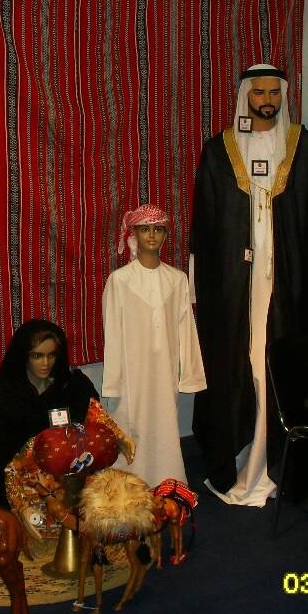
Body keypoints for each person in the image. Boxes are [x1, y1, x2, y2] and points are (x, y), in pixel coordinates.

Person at [190, 63, 308, 506]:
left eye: (274, 92)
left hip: (290, 285)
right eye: (260, 92)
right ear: (245, 96)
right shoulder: (220, 151)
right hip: (236, 287)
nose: (267, 100)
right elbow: (204, 228)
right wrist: (201, 291)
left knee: (277, 370)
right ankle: (240, 463)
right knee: (242, 368)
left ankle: (281, 469)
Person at [102, 203, 206, 487]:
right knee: (131, 426)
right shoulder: (120, 281)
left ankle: (167, 481)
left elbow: (187, 331)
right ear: (133, 233)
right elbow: (113, 335)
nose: (152, 235)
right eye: (145, 229)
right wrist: (113, 382)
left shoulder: (177, 279)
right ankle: (129, 487)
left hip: (164, 373)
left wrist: (190, 375)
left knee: (164, 425)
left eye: (158, 229)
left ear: (165, 235)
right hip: (131, 375)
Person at [0, 319, 98, 506]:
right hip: (18, 486)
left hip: (65, 481)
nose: (46, 363)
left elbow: (94, 428)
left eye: (52, 355)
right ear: (24, 356)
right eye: (37, 356)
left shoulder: (72, 388)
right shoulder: (4, 394)